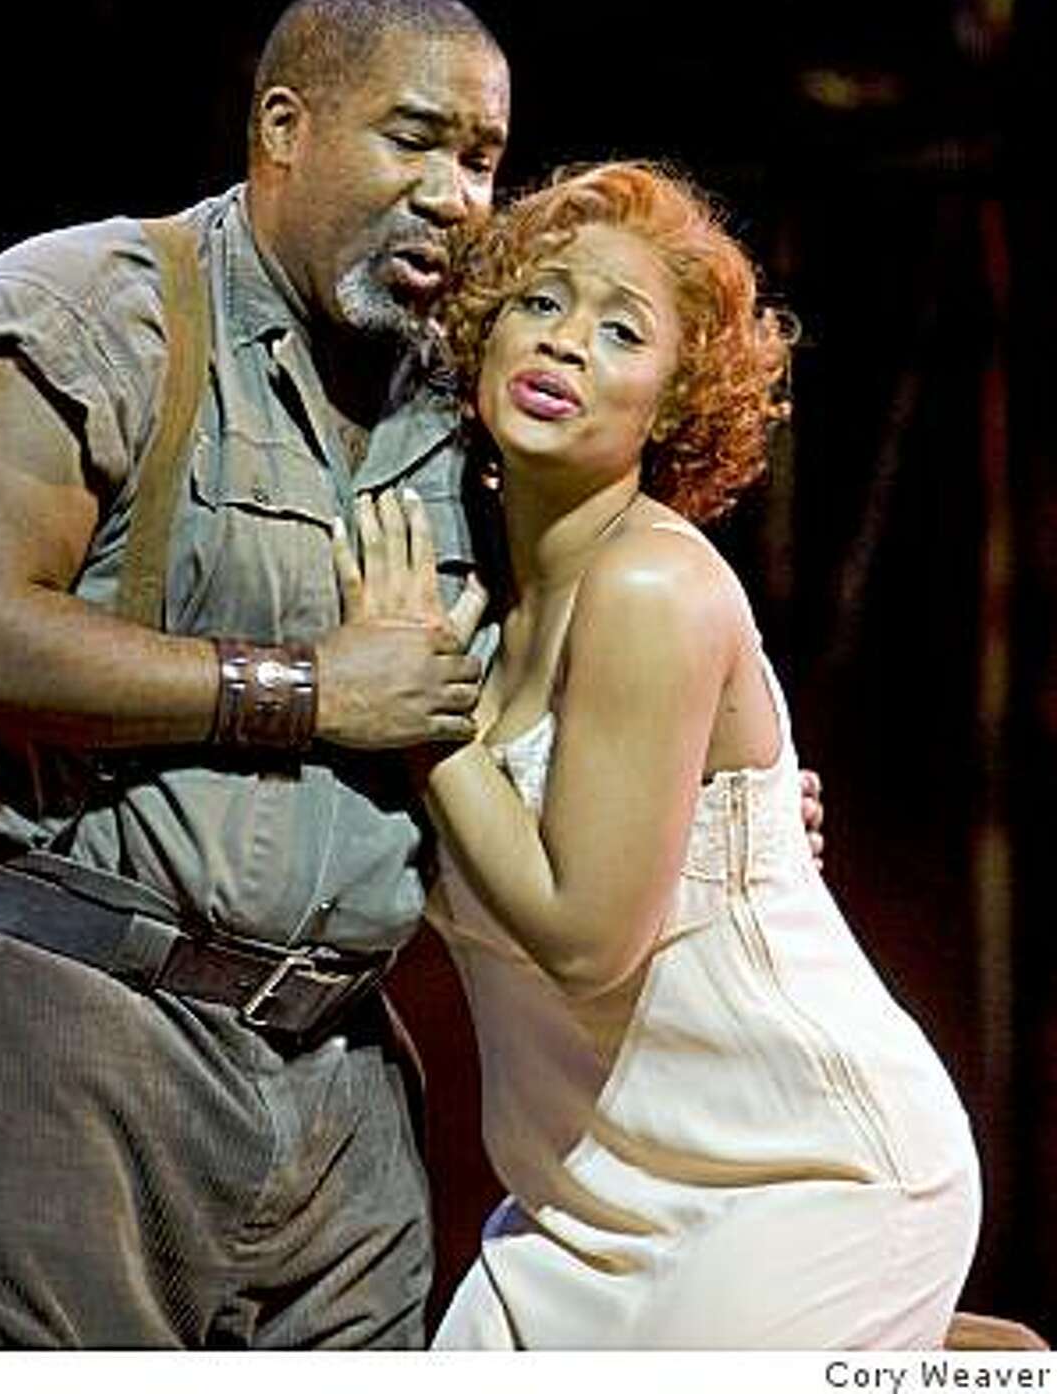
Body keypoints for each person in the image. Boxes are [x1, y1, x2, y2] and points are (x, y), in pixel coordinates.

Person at [0, 0, 821, 1348]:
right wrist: (306, 690)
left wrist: (726, 815)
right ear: (284, 127)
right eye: (412, 140)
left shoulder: (469, 394)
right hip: (51, 1023)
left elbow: (599, 640)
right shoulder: (97, 307)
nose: (453, 196)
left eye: (480, 159)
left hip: (339, 1085)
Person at [333, 159, 982, 1349]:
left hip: (800, 1178)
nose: (566, 341)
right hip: (581, 1209)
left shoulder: (647, 586)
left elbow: (587, 943)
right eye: (541, 302)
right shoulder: (478, 611)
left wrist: (419, 712)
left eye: (621, 330)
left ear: (674, 406)